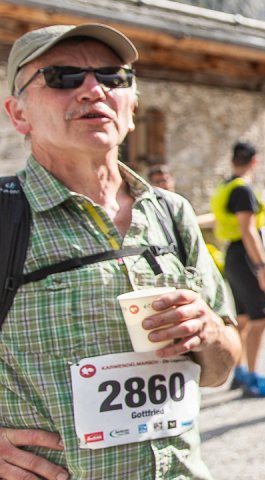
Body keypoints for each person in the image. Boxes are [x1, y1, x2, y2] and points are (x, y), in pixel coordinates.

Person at [0, 23, 239, 478]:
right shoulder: (4, 217)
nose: (94, 90)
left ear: (132, 108)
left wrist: (208, 332)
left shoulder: (172, 213)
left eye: (113, 77)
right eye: (62, 78)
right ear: (19, 115)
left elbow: (219, 368)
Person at [210, 141, 265, 398]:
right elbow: (248, 230)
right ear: (255, 161)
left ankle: (239, 370)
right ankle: (252, 374)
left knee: (243, 319)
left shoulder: (226, 186)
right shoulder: (243, 190)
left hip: (233, 255)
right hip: (246, 255)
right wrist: (263, 266)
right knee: (261, 317)